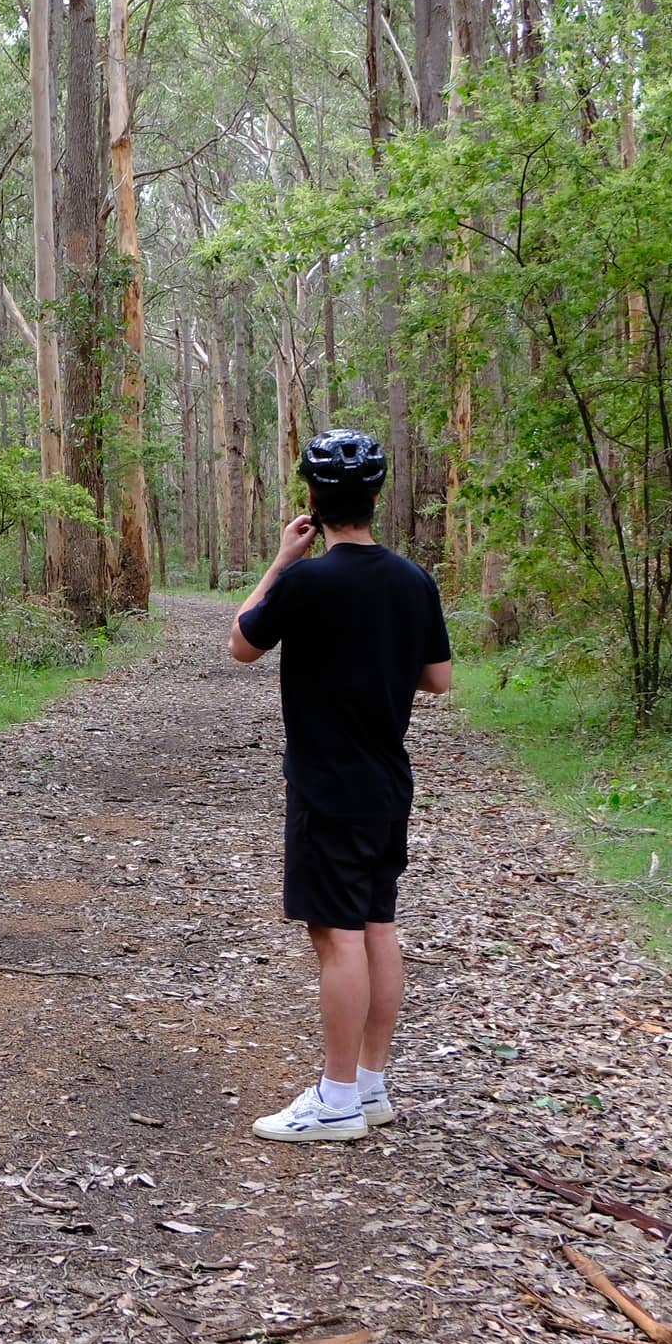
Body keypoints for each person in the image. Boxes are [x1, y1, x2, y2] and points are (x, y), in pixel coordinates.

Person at [224, 430, 454, 1144]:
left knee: (338, 937)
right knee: (378, 924)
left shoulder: (304, 582)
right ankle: (372, 1085)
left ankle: (336, 1098)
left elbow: (240, 644)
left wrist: (279, 563)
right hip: (388, 782)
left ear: (314, 502)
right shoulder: (413, 580)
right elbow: (438, 679)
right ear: (378, 499)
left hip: (327, 786)